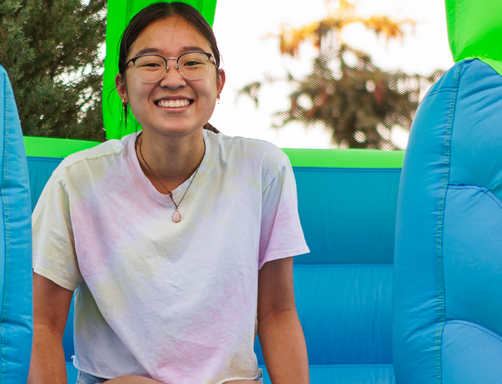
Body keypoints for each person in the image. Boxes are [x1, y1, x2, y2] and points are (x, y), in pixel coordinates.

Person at [28, 3, 311, 383]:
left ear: (219, 82)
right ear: (122, 87)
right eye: (150, 63)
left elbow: (277, 310)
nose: (173, 78)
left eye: (192, 62)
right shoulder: (77, 180)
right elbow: (42, 323)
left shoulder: (261, 169)